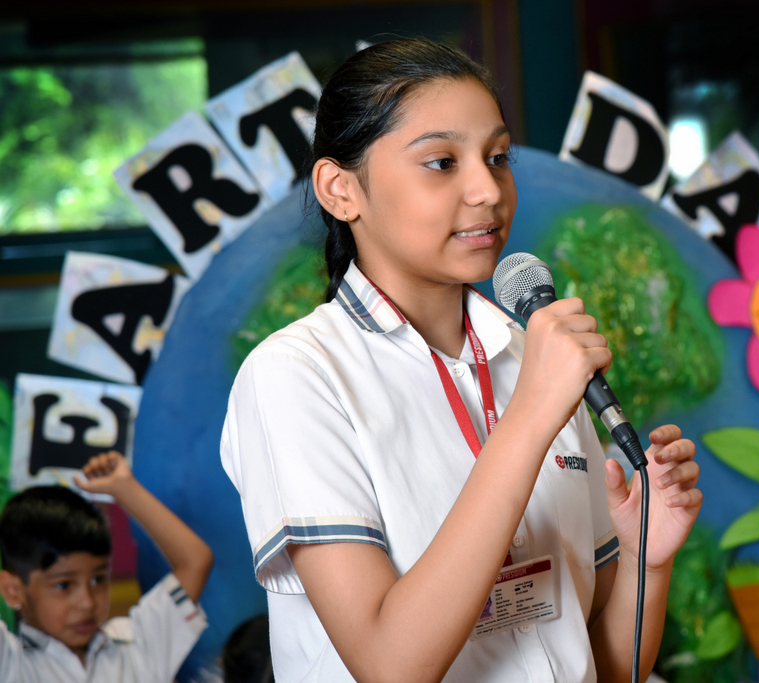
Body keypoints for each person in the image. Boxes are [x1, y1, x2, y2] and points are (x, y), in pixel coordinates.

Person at [220, 37, 703, 683]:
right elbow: (391, 664)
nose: (487, 190)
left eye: (497, 157)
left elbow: (608, 668)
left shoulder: (536, 357)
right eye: (442, 162)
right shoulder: (296, 375)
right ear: (341, 189)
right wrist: (530, 415)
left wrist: (646, 559)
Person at [0, 450, 213, 681]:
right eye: (63, 585)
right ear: (13, 590)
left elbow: (195, 562)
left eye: (97, 579)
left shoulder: (135, 647)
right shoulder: (10, 662)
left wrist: (125, 489)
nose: (87, 602)